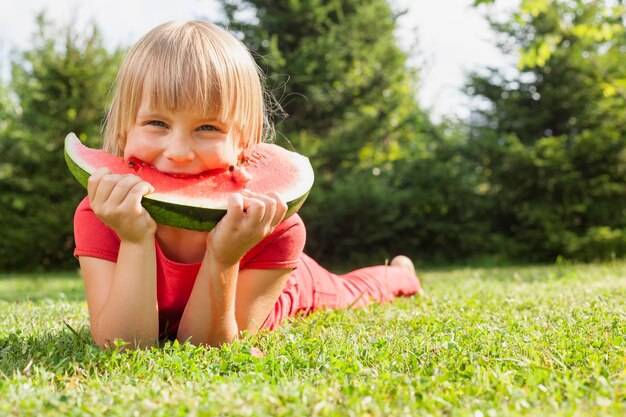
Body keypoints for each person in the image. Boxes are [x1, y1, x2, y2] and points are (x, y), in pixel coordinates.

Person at [73, 20, 422, 349]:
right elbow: (122, 345)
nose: (178, 152)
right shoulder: (100, 211)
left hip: (288, 283)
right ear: (123, 131)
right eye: (156, 122)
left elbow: (206, 346)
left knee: (351, 291)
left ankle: (399, 275)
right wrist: (134, 240)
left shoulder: (276, 226)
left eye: (208, 128)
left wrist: (225, 256)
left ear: (245, 143)